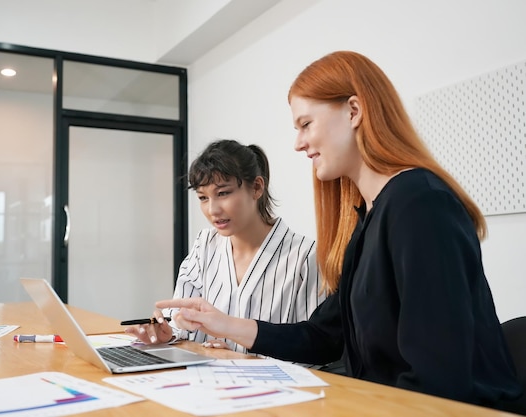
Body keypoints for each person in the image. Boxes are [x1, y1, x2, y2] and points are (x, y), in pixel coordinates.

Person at [154, 51, 521, 407]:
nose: (298, 143)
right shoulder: (368, 219)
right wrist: (225, 324)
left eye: (305, 124)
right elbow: (322, 337)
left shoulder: (419, 203)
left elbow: (440, 378)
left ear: (354, 111)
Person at [125, 139, 323, 353]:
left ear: (256, 188)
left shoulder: (306, 256)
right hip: (208, 379)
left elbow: (316, 346)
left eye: (223, 193)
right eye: (203, 197)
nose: (213, 210)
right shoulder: (205, 246)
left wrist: (238, 358)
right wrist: (168, 332)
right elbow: (180, 321)